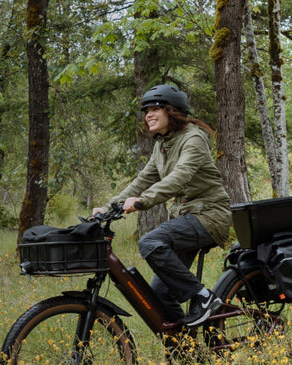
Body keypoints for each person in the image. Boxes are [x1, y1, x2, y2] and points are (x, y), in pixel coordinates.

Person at [93, 84, 234, 326]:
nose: (148, 115)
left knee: (150, 242)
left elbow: (180, 175)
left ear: (172, 111)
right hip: (186, 217)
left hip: (210, 215)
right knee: (160, 292)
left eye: (155, 109)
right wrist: (109, 207)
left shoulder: (193, 138)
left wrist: (143, 201)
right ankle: (185, 346)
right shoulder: (162, 145)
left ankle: (203, 297)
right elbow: (143, 180)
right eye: (146, 111)